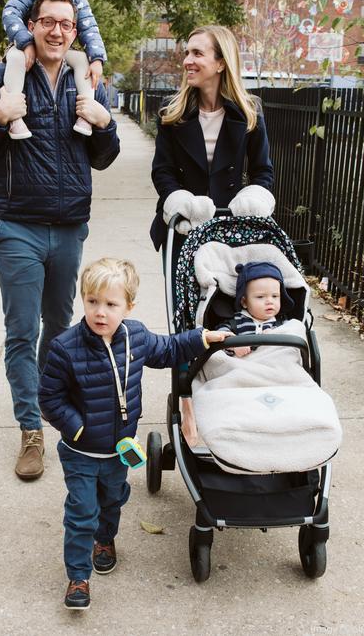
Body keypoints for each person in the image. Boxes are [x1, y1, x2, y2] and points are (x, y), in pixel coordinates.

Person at [0, 0, 120, 482]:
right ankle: (31, 430)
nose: (55, 31)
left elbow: (103, 157)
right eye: (46, 21)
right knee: (22, 331)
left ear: (75, 32)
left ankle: (48, 400)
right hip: (17, 226)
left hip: (70, 225)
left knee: (59, 323)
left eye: (65, 24)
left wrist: (106, 123)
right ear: (31, 25)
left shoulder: (87, 81)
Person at [38, 258, 229, 610]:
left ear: (128, 307)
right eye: (92, 301)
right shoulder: (65, 348)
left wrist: (202, 338)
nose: (100, 312)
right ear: (83, 299)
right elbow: (49, 398)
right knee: (82, 511)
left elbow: (169, 350)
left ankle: (105, 540)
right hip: (80, 452)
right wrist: (76, 427)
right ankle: (78, 577)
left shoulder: (136, 336)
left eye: (111, 304)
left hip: (119, 450)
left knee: (113, 500)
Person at [149, 24, 275, 446]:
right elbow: (162, 171)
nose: (188, 60)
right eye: (187, 52)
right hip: (184, 231)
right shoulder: (173, 114)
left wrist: (253, 198)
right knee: (187, 321)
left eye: (198, 53)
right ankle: (187, 403)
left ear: (220, 63)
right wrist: (181, 201)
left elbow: (263, 173)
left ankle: (234, 397)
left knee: (232, 315)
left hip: (231, 232)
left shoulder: (249, 112)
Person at [2, 0, 106, 139]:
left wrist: (97, 58)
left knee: (82, 62)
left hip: (59, 50)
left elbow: (89, 26)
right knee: (14, 59)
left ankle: (86, 114)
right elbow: (11, 12)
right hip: (30, 46)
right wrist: (24, 42)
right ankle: (15, 118)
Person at [217, 261, 294, 357]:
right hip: (246, 366)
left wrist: (276, 333)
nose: (270, 301)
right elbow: (220, 335)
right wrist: (234, 345)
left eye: (275, 296)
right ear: (244, 302)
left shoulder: (282, 323)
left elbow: (293, 337)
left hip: (274, 362)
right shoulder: (237, 322)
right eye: (260, 297)